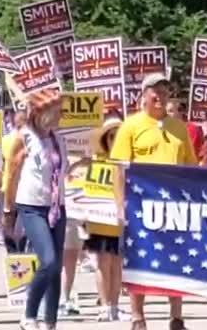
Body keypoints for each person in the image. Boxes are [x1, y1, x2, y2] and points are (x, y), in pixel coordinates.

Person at [111, 73, 198, 330]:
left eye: (164, 90)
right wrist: (120, 205)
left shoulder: (179, 127)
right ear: (144, 96)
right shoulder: (131, 126)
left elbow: (191, 167)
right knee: (140, 259)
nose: (159, 96)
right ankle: (138, 316)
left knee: (177, 259)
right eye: (154, 91)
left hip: (174, 205)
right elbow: (119, 168)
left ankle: (176, 317)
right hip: (140, 205)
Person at [3, 89, 68, 330]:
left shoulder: (59, 139)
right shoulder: (24, 137)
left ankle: (50, 321)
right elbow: (11, 173)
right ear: (41, 113)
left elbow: (61, 171)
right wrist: (8, 210)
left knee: (56, 267)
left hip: (56, 207)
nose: (60, 116)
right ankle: (29, 315)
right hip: (31, 206)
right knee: (48, 261)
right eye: (56, 111)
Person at [84, 116, 130, 322]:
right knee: (103, 263)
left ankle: (115, 305)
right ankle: (105, 305)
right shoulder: (96, 161)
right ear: (105, 139)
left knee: (118, 264)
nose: (114, 139)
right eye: (111, 136)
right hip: (100, 220)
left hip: (122, 220)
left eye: (118, 135)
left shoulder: (130, 162)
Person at [1, 109, 28, 253]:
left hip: (25, 190)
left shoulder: (33, 141)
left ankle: (17, 257)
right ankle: (15, 259)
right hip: (9, 189)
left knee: (18, 229)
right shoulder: (6, 140)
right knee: (9, 228)